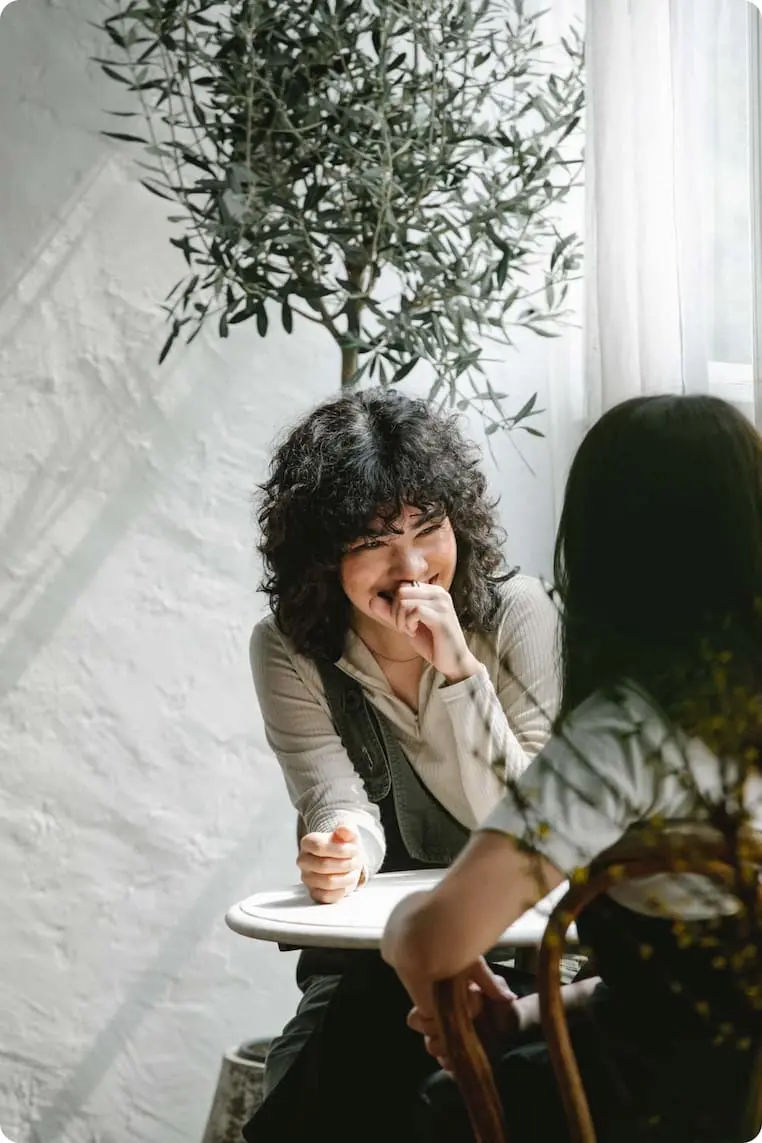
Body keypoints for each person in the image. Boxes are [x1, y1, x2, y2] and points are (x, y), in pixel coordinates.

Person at [382, 394, 762, 1142]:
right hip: (734, 1101)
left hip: (649, 1104)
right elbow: (698, 991)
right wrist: (524, 1012)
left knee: (435, 1103)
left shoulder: (623, 737)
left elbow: (437, 942)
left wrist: (406, 927)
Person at [243, 387, 559, 1141]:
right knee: (338, 1053)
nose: (413, 565)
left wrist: (459, 675)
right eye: (376, 541)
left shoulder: (518, 612)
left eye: (429, 527)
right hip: (370, 961)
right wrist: (340, 852)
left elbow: (534, 831)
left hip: (528, 946)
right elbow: (337, 800)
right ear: (324, 554)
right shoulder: (290, 646)